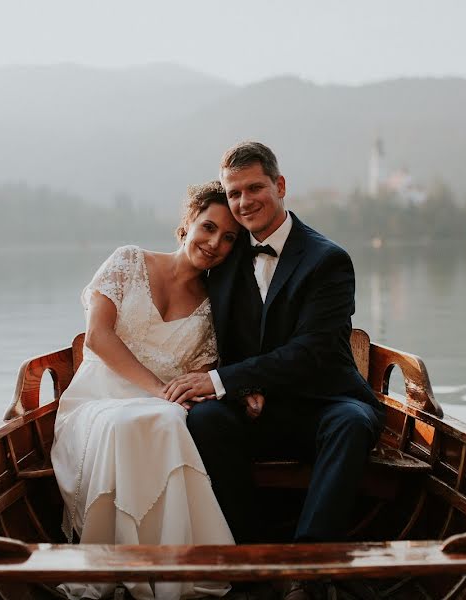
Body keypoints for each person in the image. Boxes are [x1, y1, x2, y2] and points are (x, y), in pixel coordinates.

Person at [165, 142, 385, 557]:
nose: (244, 202)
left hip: (323, 400)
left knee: (352, 423)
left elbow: (312, 351)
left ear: (280, 185)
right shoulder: (224, 256)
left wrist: (222, 380)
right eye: (234, 193)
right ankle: (252, 551)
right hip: (254, 409)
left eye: (254, 188)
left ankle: (308, 563)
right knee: (206, 420)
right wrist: (241, 388)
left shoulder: (327, 261)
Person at [51, 182, 241, 600]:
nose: (214, 243)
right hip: (97, 401)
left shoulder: (214, 307)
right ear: (186, 224)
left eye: (229, 238)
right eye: (208, 227)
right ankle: (116, 566)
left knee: (171, 417)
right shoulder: (128, 261)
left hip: (160, 409)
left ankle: (173, 572)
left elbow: (203, 372)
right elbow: (98, 337)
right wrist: (158, 389)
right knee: (145, 417)